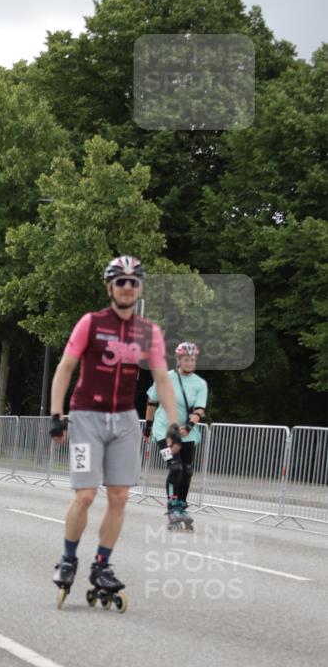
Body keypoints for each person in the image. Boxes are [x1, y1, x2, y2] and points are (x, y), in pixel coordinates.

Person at [49, 255, 183, 608]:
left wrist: (172, 421)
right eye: (120, 281)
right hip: (86, 416)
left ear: (139, 289)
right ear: (110, 287)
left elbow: (162, 378)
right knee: (86, 495)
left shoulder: (147, 331)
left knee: (120, 496)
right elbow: (65, 368)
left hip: (124, 418)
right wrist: (56, 413)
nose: (127, 287)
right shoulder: (90, 323)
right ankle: (68, 558)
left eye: (133, 282)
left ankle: (102, 565)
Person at [144, 341, 208, 529]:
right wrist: (148, 428)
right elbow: (151, 402)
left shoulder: (200, 384)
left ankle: (181, 505)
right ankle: (172, 507)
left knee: (187, 470)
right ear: (179, 360)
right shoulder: (165, 378)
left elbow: (200, 409)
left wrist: (188, 426)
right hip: (164, 431)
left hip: (188, 434)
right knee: (176, 467)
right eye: (186, 359)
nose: (189, 363)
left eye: (193, 360)